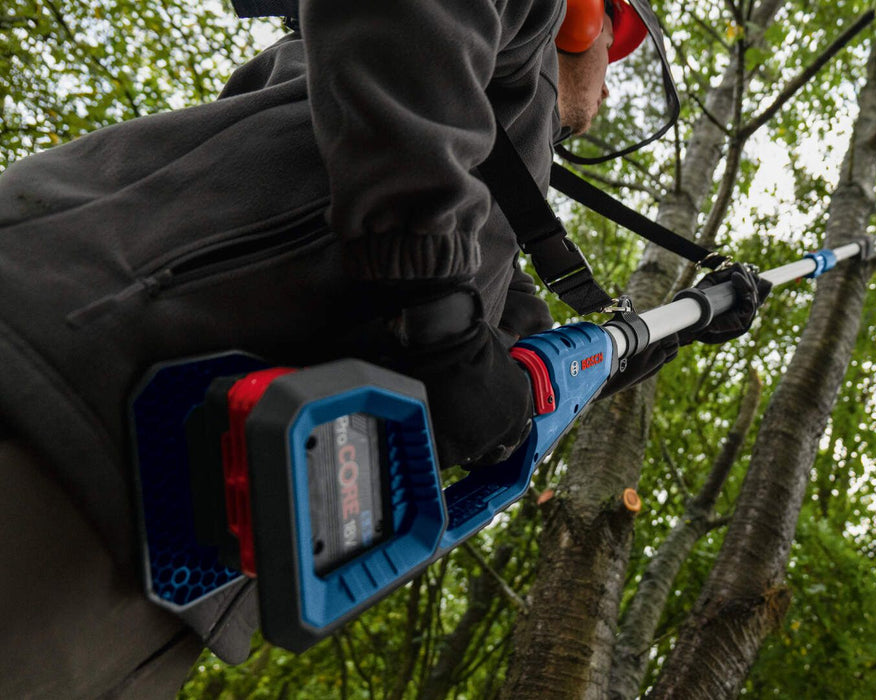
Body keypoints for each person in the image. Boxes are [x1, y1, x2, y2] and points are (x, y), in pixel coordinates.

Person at [0, 0, 765, 696]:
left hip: (182, 557)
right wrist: (435, 310)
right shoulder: (492, 57)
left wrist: (643, 342)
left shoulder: (462, 173)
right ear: (589, 31)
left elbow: (504, 363)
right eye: (611, 67)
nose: (598, 109)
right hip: (77, 405)